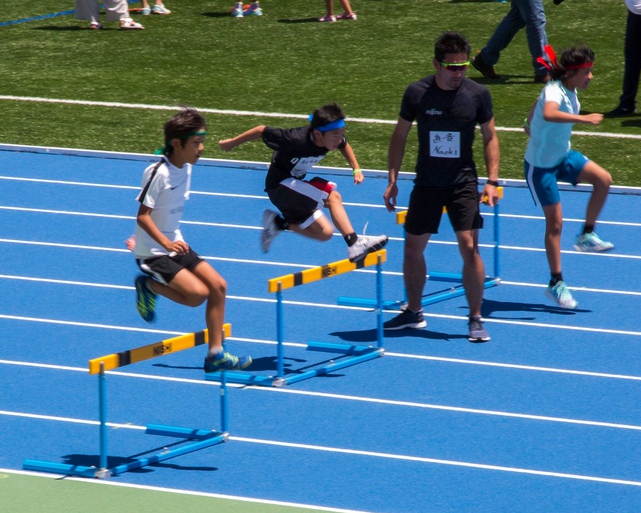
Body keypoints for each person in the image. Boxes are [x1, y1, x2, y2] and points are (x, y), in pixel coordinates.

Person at [383, 32, 500, 342]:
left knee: (469, 246)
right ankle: (414, 313)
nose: (458, 73)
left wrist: (492, 180)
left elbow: (491, 138)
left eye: (463, 66)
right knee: (412, 248)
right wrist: (392, 179)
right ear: (436, 64)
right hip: (427, 182)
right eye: (451, 67)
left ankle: (475, 318)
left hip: (463, 181)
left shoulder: (478, 95)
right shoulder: (416, 93)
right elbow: (400, 136)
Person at [131, 108, 252, 373]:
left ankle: (215, 354)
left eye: (201, 141)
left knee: (219, 286)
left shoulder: (185, 167)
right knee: (198, 295)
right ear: (177, 144)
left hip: (175, 242)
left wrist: (171, 242)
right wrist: (164, 244)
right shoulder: (158, 172)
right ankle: (149, 286)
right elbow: (143, 216)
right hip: (154, 252)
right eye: (196, 143)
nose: (201, 148)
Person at [218, 103, 388, 259]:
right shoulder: (295, 139)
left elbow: (344, 145)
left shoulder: (331, 138)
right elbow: (262, 130)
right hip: (280, 186)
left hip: (295, 189)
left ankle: (279, 223)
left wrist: (356, 168)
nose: (339, 139)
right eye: (336, 135)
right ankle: (354, 243)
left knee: (325, 233)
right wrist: (231, 144)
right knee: (332, 197)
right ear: (317, 134)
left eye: (341, 134)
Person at [523, 44, 614, 309]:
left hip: (563, 157)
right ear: (573, 73)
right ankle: (556, 282)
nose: (591, 77)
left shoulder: (568, 90)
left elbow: (538, 105)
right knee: (555, 224)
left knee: (603, 180)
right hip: (540, 168)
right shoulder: (554, 90)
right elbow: (549, 112)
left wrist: (528, 122)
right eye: (587, 72)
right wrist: (585, 120)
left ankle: (586, 235)